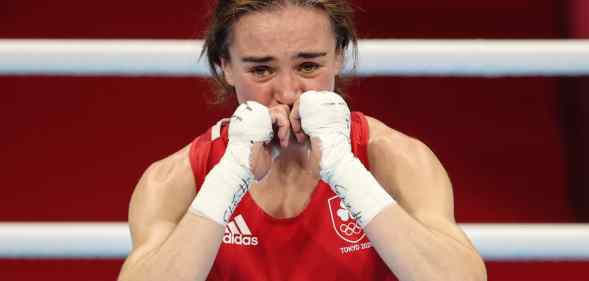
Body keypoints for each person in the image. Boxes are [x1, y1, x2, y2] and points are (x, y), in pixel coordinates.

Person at [117, 1, 487, 280]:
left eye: (308, 66)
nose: (288, 91)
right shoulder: (177, 178)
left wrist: (346, 170)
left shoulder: (396, 159)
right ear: (225, 66)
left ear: (340, 56)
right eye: (261, 69)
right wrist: (227, 177)